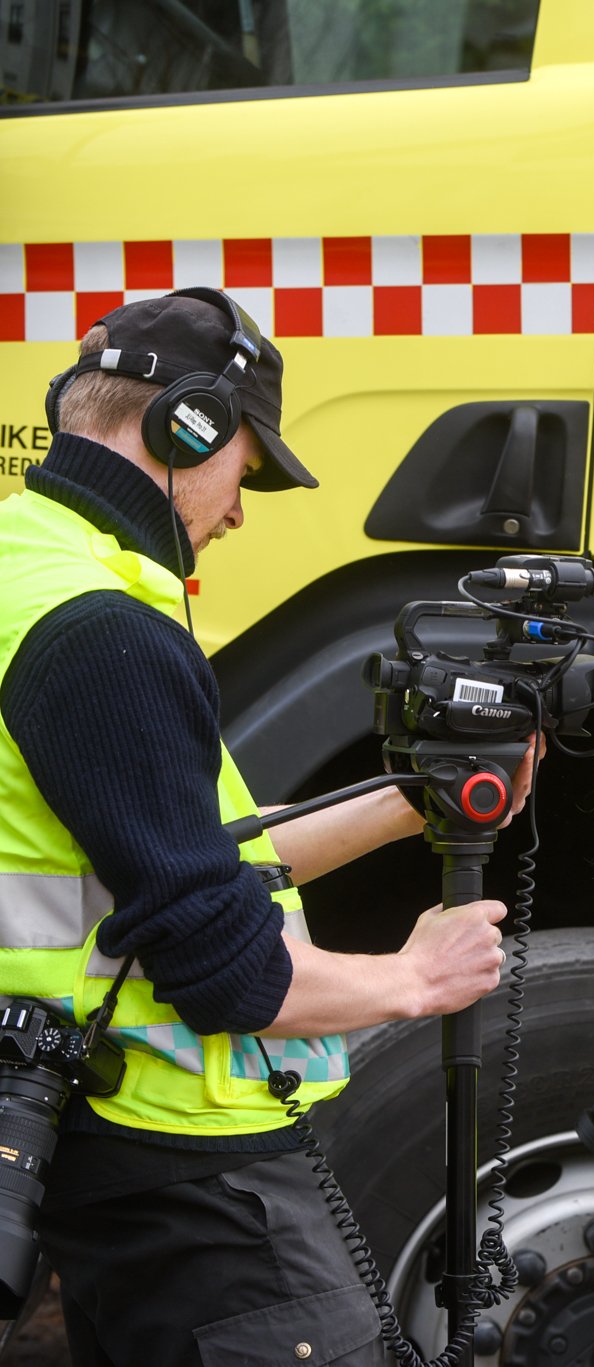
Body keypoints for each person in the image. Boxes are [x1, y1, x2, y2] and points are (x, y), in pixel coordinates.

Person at [0, 289, 524, 1365]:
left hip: (92, 1143)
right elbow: (225, 971)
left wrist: (419, 799)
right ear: (185, 424)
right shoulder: (98, 630)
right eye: (248, 466)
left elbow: (184, 846)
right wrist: (415, 977)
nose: (239, 508)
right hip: (186, 1167)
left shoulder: (28, 570)